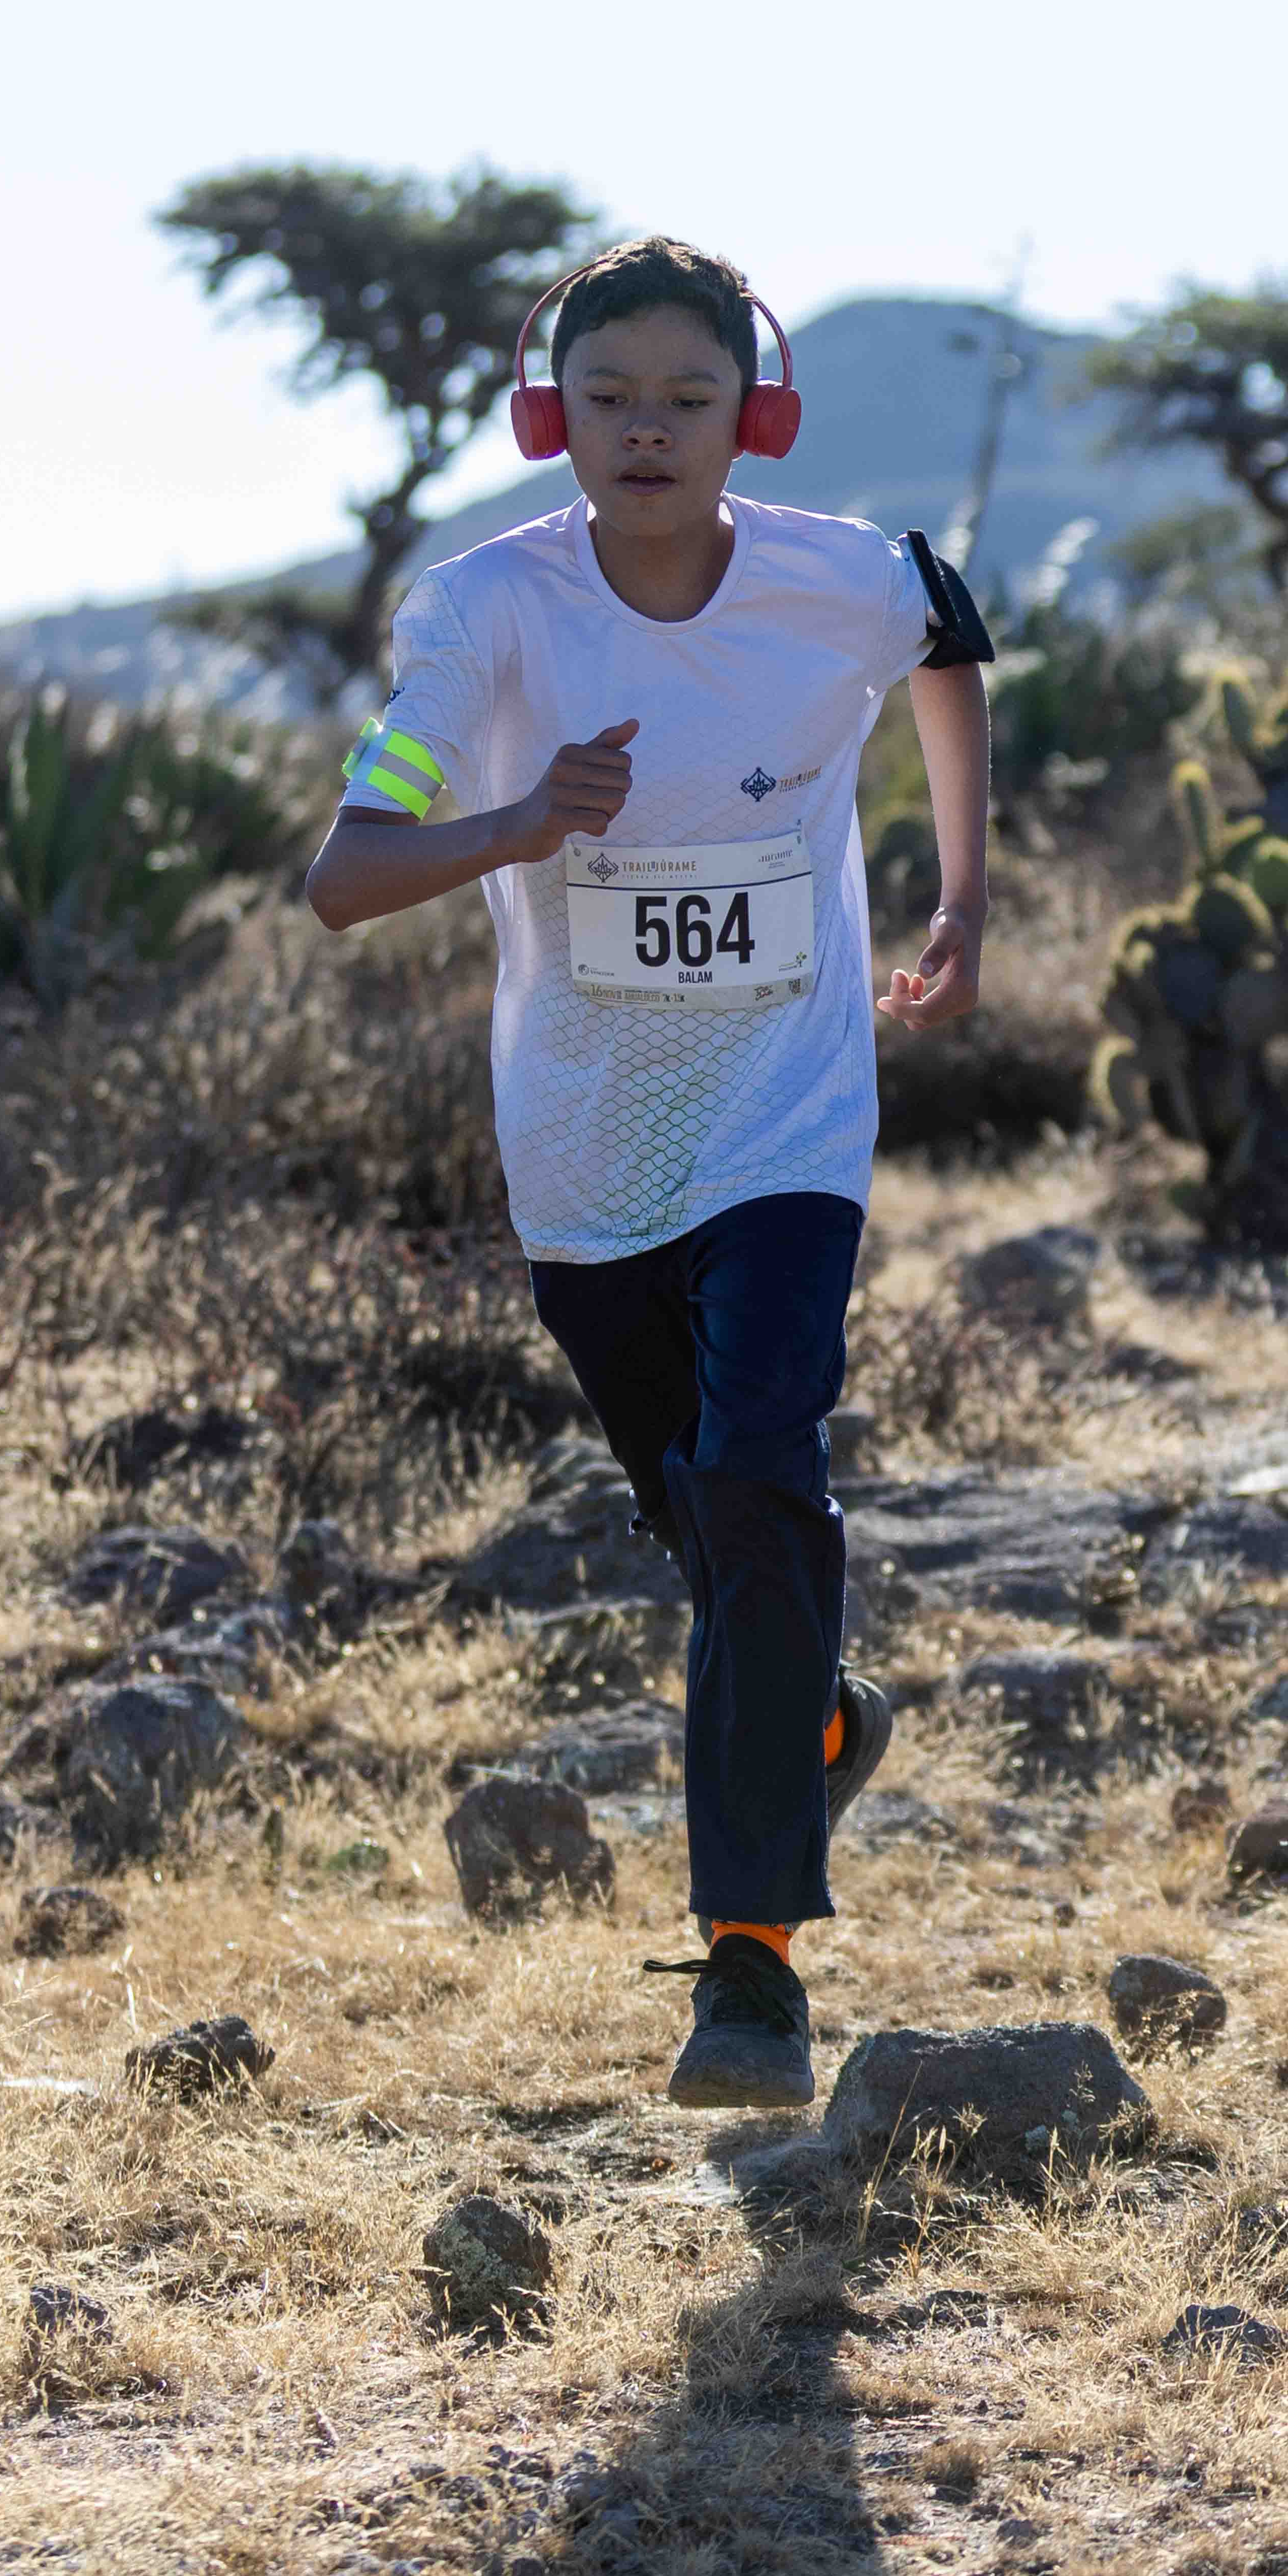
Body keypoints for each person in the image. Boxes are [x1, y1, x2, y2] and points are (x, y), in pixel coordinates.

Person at [305, 236, 992, 2104]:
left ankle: (750, 1971)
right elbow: (347, 875)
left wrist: (962, 893)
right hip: (590, 1149)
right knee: (712, 1531)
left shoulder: (844, 578)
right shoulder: (483, 614)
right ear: (554, 417)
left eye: (690, 397)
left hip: (787, 1119)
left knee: (762, 1476)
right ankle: (813, 1723)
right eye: (608, 397)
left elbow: (948, 648)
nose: (648, 430)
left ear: (753, 414)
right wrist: (522, 821)